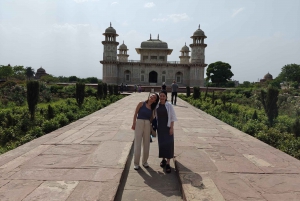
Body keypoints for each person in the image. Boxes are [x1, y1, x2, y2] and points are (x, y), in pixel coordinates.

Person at [131, 93, 159, 170]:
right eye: (152, 95)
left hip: (147, 123)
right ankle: (136, 163)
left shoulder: (152, 108)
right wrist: (134, 123)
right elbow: (135, 113)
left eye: (154, 97)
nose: (152, 97)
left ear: (155, 100)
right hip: (139, 122)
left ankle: (144, 161)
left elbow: (152, 118)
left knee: (146, 143)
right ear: (149, 96)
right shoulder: (141, 103)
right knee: (137, 143)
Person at [155, 90, 177, 173]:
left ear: (166, 97)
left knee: (169, 144)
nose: (162, 97)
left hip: (167, 127)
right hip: (160, 127)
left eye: (163, 96)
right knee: (162, 143)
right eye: (160, 96)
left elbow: (172, 117)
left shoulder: (169, 105)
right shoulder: (157, 105)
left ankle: (168, 163)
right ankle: (163, 159)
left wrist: (171, 127)